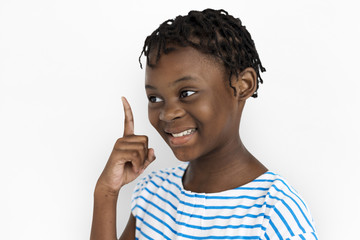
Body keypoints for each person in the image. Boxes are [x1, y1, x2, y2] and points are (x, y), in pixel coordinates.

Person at [90, 9, 318, 240]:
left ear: (244, 85)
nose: (167, 114)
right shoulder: (153, 193)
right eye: (155, 99)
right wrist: (106, 192)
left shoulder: (274, 211)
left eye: (187, 92)